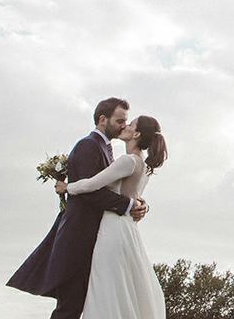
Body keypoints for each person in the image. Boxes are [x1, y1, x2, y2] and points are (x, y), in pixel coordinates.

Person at [7, 97, 151, 318]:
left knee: (80, 306)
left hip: (95, 237)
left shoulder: (106, 149)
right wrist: (128, 205)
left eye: (127, 122)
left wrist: (140, 204)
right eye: (120, 120)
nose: (124, 125)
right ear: (103, 119)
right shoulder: (88, 145)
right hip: (78, 238)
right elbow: (91, 191)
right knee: (70, 307)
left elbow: (117, 187)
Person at [57, 113, 168, 318]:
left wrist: (66, 187)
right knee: (123, 289)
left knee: (106, 288)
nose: (125, 126)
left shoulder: (128, 161)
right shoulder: (143, 165)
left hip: (113, 229)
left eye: (130, 124)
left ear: (136, 133)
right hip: (129, 231)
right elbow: (134, 196)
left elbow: (92, 184)